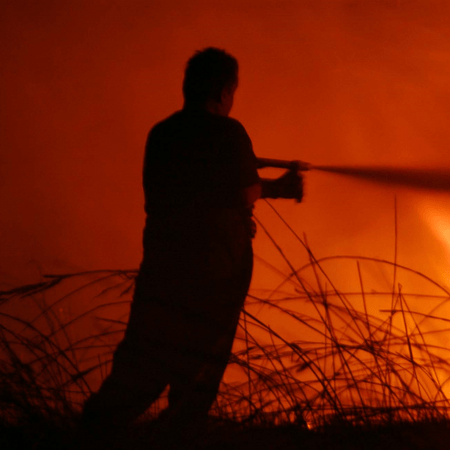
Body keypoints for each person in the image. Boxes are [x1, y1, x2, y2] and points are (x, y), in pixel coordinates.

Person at [80, 47, 303, 448]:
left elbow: (195, 187)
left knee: (142, 361)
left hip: (162, 267)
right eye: (232, 91)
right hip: (214, 273)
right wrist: (280, 187)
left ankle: (90, 432)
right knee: (198, 372)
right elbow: (240, 190)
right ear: (221, 92)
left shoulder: (163, 133)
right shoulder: (228, 132)